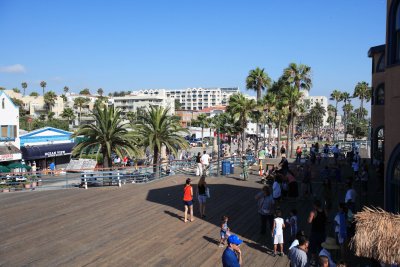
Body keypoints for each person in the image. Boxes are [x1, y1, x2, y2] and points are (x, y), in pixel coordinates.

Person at [308, 200, 327, 265]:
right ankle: (321, 262)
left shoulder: (313, 212)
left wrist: (310, 216)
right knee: (321, 247)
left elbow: (309, 221)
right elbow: (326, 218)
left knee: (313, 247)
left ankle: (313, 260)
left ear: (315, 205)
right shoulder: (324, 211)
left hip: (315, 232)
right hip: (322, 232)